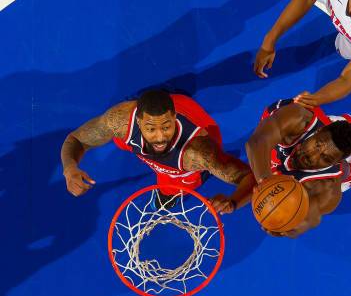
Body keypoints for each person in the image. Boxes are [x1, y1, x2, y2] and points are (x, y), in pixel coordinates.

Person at [61, 90, 255, 213]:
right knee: (120, 138)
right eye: (151, 129)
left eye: (166, 126)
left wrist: (233, 202)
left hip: (193, 147)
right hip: (158, 114)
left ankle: (187, 183)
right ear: (139, 122)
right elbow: (77, 139)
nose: (160, 137)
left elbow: (249, 176)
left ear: (174, 116)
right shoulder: (120, 120)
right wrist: (69, 169)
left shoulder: (198, 154)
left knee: (170, 193)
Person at [246, 99, 351, 237]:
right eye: (317, 146)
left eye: (326, 159)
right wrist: (265, 181)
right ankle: (339, 121)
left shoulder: (328, 190)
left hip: (330, 169)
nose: (312, 157)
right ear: (319, 129)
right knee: (331, 135)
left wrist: (285, 226)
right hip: (311, 124)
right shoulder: (298, 118)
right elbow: (256, 142)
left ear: (335, 162)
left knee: (346, 172)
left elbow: (307, 220)